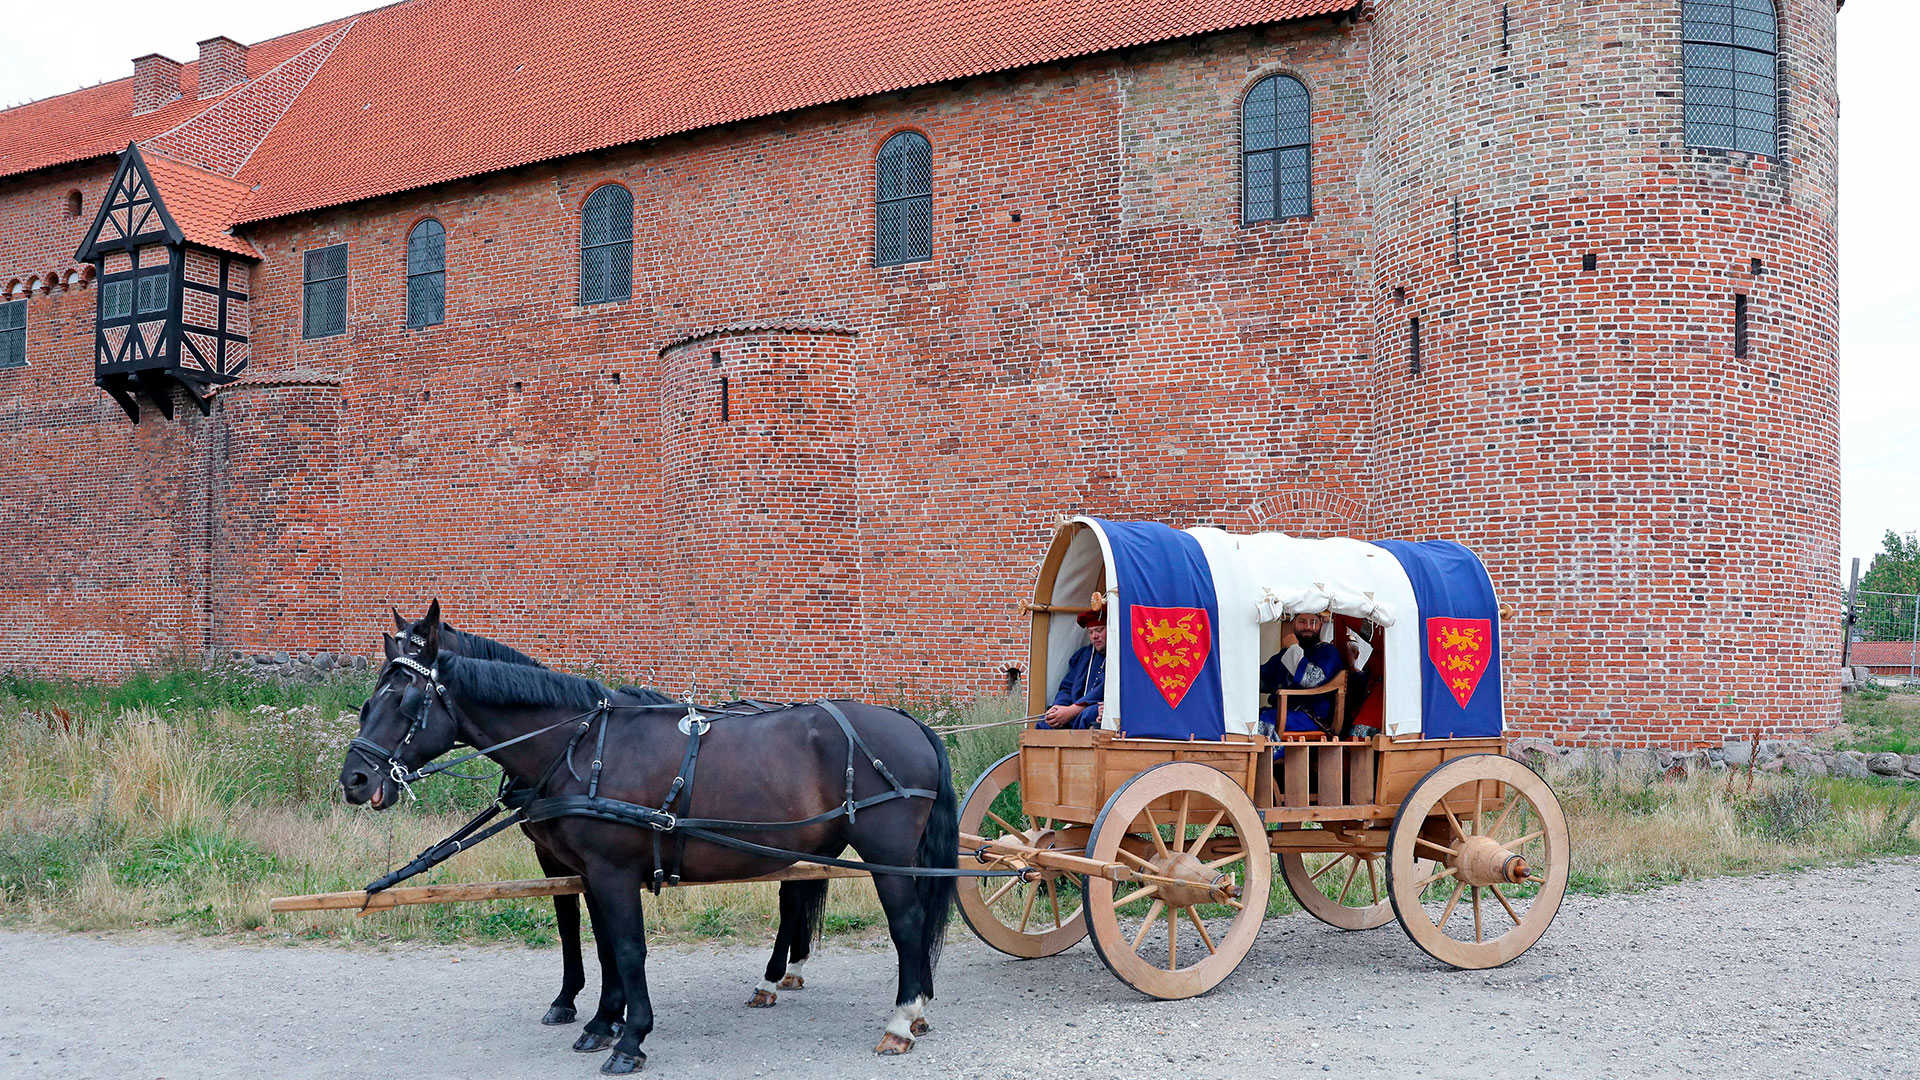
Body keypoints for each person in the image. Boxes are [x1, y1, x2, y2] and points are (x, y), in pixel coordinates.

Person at [1259, 611, 1347, 736]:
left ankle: (1258, 755)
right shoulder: (1287, 652)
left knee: (1265, 721)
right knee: (1248, 717)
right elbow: (1264, 678)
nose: (1308, 627)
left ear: (1321, 624)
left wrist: (1294, 648)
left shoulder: (1327, 651)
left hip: (1312, 717)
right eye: (1302, 622)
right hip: (1284, 711)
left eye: (1313, 622)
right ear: (1293, 623)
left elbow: (1310, 680)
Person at [1040, 609, 1106, 729]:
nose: (1094, 636)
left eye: (1099, 630)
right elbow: (1067, 687)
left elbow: (1102, 690)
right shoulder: (1082, 656)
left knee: (1088, 715)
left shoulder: (1118, 656)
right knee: (1047, 719)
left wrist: (1072, 710)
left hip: (1095, 708)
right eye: (1090, 632)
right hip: (1073, 709)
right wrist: (1059, 707)